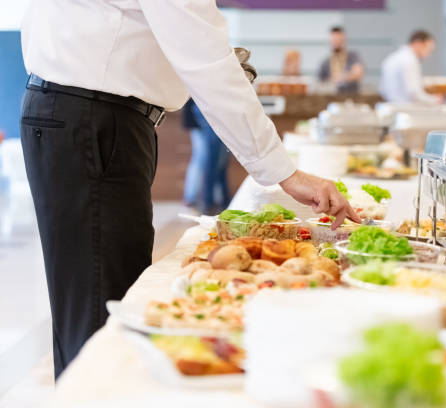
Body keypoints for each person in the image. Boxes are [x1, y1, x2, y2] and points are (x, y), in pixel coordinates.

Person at [20, 0, 359, 378]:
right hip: (92, 117)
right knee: (100, 311)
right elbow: (208, 60)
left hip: (90, 114)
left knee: (92, 299)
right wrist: (285, 173)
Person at [182, 99, 230, 214]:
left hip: (209, 111)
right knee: (209, 161)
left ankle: (218, 202)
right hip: (208, 111)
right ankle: (207, 203)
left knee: (216, 162)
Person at [380, 30, 442, 104]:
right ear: (418, 43)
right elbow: (413, 92)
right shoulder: (410, 61)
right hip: (406, 106)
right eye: (428, 49)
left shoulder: (393, 57)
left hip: (392, 104)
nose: (428, 55)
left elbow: (382, 89)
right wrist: (434, 100)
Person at [318, 26, 364, 94]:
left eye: (338, 39)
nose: (336, 42)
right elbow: (321, 83)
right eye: (334, 39)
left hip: (352, 96)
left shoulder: (353, 56)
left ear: (343, 39)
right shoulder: (325, 62)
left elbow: (358, 73)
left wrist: (342, 77)